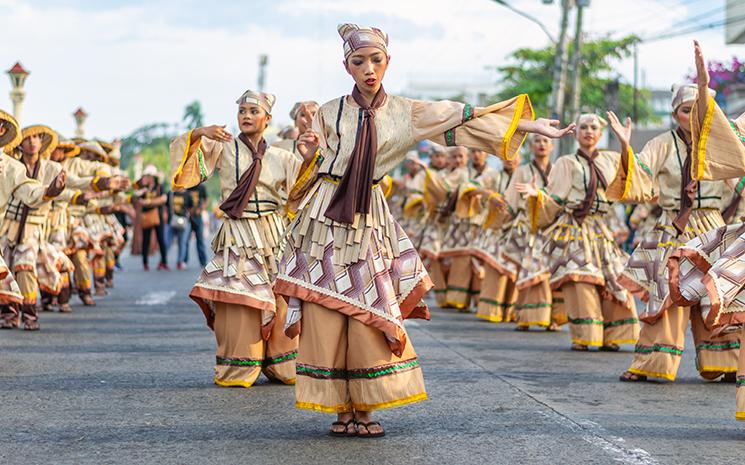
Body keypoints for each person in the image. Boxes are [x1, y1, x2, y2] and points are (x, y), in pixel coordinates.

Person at [273, 23, 574, 437]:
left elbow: (461, 119)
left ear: (388, 62)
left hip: (368, 216)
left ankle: (365, 406)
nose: (368, 69)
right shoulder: (329, 111)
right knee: (325, 307)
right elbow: (313, 167)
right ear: (346, 66)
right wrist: (309, 155)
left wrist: (528, 127)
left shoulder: (406, 111)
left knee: (369, 303)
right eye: (358, 62)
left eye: (376, 60)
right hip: (324, 213)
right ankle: (339, 408)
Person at [607, 79, 741, 383]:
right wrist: (625, 147)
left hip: (713, 226)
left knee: (716, 293)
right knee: (669, 293)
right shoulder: (661, 144)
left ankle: (725, 362)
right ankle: (654, 362)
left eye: (697, 110)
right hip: (674, 228)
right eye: (684, 110)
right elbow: (639, 177)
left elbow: (739, 180)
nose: (691, 116)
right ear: (674, 114)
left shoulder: (718, 144)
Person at [170, 89, 302, 389]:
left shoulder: (282, 156)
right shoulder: (224, 149)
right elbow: (186, 173)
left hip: (273, 231)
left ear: (267, 119)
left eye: (254, 112)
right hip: (238, 231)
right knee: (239, 298)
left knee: (280, 297)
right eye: (242, 111)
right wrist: (200, 133)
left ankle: (282, 363)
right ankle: (239, 365)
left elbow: (303, 191)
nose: (246, 116)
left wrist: (309, 156)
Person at [516, 114, 639, 351]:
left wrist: (625, 145)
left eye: (594, 127)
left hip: (601, 228)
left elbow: (629, 183)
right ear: (575, 132)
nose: (589, 131)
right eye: (583, 127)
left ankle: (611, 336)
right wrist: (538, 195)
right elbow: (555, 198)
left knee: (614, 280)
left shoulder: (611, 159)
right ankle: (585, 334)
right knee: (578, 277)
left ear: (600, 133)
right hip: (574, 227)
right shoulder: (566, 162)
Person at [0, 125, 67, 330]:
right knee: (8, 268)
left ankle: (29, 315)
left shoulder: (12, 167)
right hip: (7, 228)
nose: (32, 141)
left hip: (32, 228)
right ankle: (10, 315)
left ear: (2, 131)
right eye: (28, 138)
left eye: (37, 138)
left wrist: (51, 190)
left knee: (24, 265)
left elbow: (30, 192)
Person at [500, 134, 565, 331]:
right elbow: (510, 200)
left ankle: (554, 318)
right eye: (537, 140)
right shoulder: (522, 170)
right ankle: (526, 315)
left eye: (546, 141)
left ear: (552, 146)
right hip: (529, 227)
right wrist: (503, 220)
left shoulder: (560, 171)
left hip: (554, 226)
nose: (541, 144)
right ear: (531, 146)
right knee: (530, 268)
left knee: (555, 271)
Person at [136, 165, 169, 271]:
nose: (147, 178)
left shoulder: (159, 187)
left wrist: (149, 202)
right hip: (146, 216)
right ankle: (145, 263)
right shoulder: (143, 189)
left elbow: (164, 199)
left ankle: (164, 262)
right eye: (146, 176)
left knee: (161, 239)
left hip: (157, 216)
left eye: (149, 176)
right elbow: (138, 200)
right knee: (146, 240)